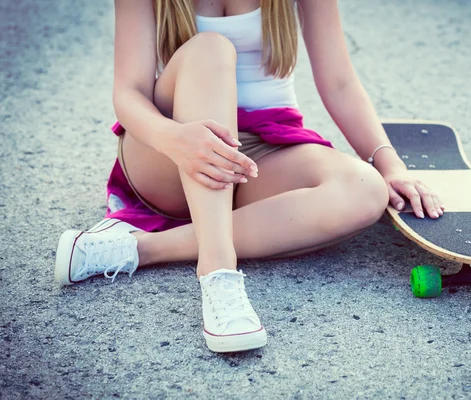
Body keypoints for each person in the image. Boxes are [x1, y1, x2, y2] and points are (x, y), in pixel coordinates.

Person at [54, 0, 444, 353]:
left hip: (263, 150)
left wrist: (389, 164)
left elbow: (339, 82)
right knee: (210, 48)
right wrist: (174, 139)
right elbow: (128, 92)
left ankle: (136, 250)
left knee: (363, 189)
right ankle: (218, 271)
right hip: (167, 148)